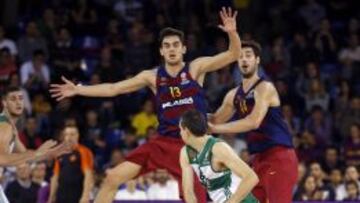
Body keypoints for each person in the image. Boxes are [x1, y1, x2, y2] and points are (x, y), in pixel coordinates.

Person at [50, 7, 241, 203]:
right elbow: (113, 89)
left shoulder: (195, 68)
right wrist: (79, 89)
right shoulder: (152, 77)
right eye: (167, 46)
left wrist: (232, 33)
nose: (172, 49)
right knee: (112, 177)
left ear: (184, 48)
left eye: (176, 45)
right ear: (161, 51)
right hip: (161, 144)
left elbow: (233, 54)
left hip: (192, 147)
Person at [209, 41, 298, 203]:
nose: (244, 60)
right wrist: (192, 113)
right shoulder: (233, 95)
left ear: (257, 60)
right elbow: (214, 120)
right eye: (240, 56)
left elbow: (253, 121)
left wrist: (215, 127)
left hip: (279, 156)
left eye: (248, 56)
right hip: (258, 159)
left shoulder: (265, 88)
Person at [0, 86, 71, 203]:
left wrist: (49, 154)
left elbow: (26, 157)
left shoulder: (11, 128)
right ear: (4, 103)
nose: (18, 102)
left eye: (21, 98)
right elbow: (2, 159)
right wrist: (37, 152)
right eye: (13, 99)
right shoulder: (4, 127)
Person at [179, 110, 259, 203]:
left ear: (187, 131)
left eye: (180, 129)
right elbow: (188, 191)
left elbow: (252, 178)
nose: (180, 133)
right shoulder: (185, 153)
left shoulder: (218, 148)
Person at [48, 124, 94, 203]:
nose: (69, 137)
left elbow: (88, 175)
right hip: (61, 196)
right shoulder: (59, 153)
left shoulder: (84, 151)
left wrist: (85, 196)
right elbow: (55, 176)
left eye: (72, 134)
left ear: (77, 136)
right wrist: (51, 197)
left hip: (77, 195)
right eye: (67, 134)